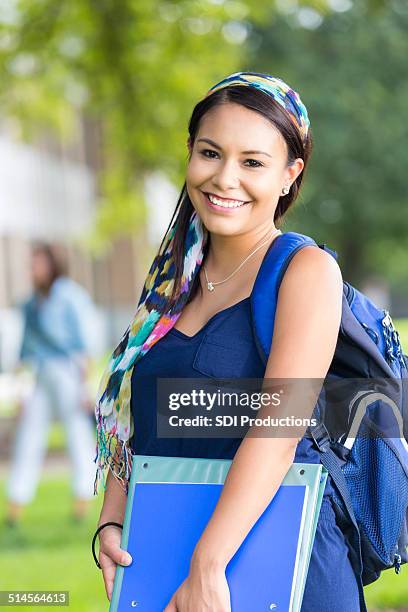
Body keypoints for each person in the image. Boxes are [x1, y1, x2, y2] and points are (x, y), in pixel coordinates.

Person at [94, 72, 365, 611]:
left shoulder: (305, 271)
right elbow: (139, 416)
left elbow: (279, 429)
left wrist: (208, 563)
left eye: (253, 162)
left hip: (280, 570)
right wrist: (111, 519)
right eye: (210, 152)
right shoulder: (170, 288)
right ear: (190, 153)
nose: (224, 178)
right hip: (170, 566)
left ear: (291, 174)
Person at [5, 243, 97, 525]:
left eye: (38, 263)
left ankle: (83, 499)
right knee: (28, 436)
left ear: (53, 265)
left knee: (78, 434)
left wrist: (86, 388)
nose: (33, 269)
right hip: (41, 373)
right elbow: (25, 350)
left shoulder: (70, 297)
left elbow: (85, 344)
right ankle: (16, 504)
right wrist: (20, 390)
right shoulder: (31, 303)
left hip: (67, 371)